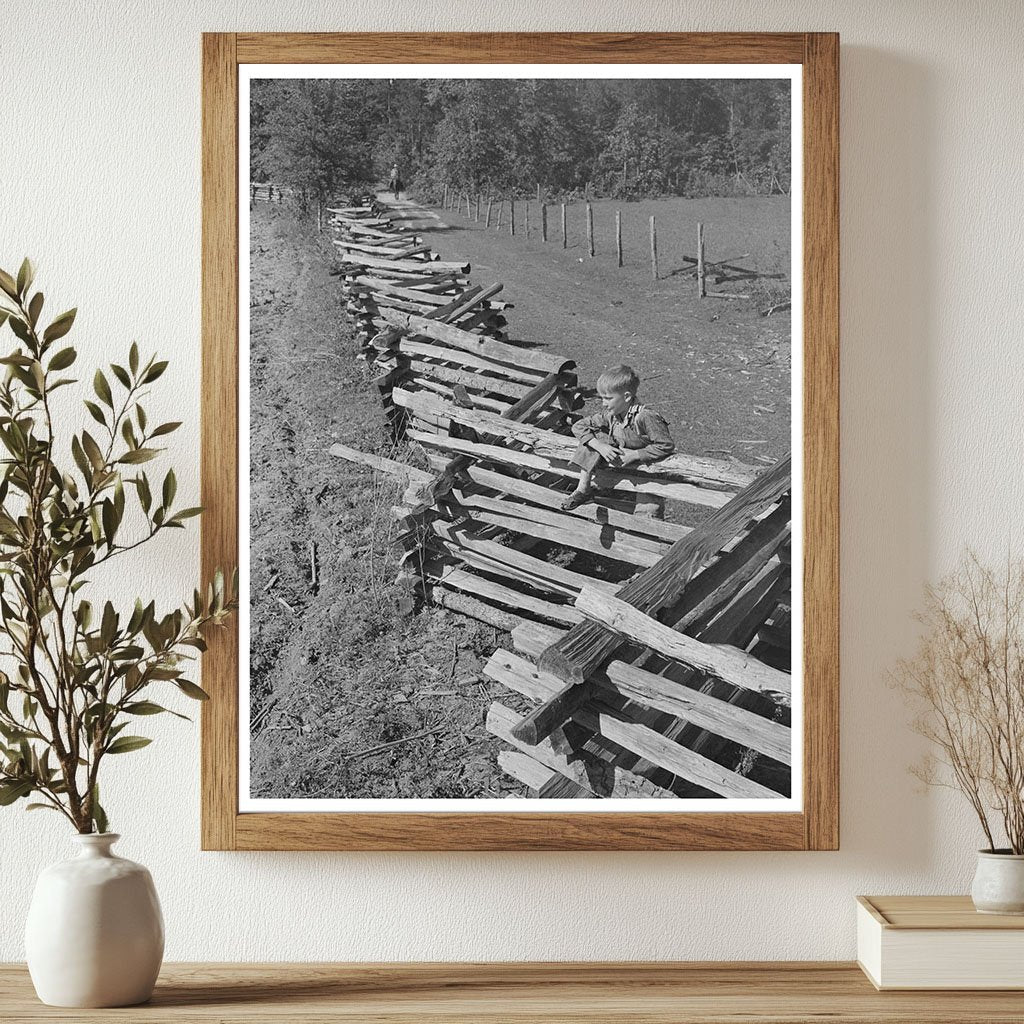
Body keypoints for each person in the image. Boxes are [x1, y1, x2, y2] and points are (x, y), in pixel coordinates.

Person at [560, 364, 675, 512]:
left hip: (648, 472)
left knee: (647, 516)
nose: (603, 403)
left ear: (626, 397)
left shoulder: (646, 417)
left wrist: (635, 455)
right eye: (602, 398)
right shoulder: (612, 415)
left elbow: (665, 445)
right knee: (596, 436)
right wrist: (599, 445)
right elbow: (578, 426)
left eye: (608, 398)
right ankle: (583, 489)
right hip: (623, 470)